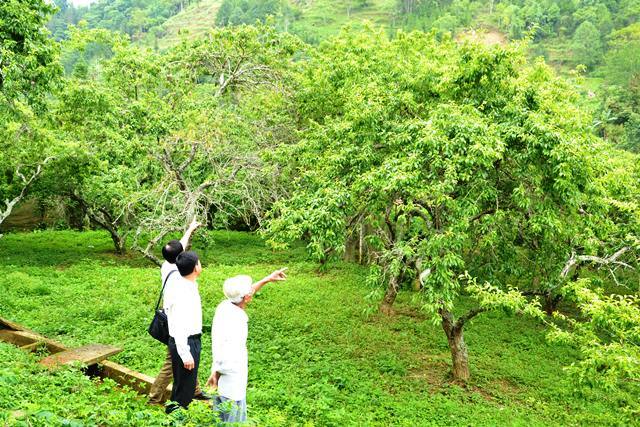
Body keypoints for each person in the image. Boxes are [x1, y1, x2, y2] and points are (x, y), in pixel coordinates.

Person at [207, 268, 287, 423]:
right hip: (232, 383)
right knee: (233, 421)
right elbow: (229, 352)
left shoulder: (224, 306)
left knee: (219, 419)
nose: (252, 290)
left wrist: (266, 279)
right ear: (247, 298)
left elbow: (243, 296)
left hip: (222, 380)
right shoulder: (238, 321)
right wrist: (217, 373)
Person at [148, 218, 210, 406]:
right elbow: (181, 319)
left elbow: (179, 246)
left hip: (174, 323)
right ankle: (155, 397)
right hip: (175, 324)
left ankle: (196, 390)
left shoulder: (168, 266)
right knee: (174, 361)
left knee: (187, 357)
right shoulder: (180, 281)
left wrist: (190, 228)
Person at [165, 250, 205, 413]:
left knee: (183, 385)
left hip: (189, 340)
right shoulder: (183, 292)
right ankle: (173, 418)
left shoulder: (185, 284)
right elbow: (178, 324)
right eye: (199, 262)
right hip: (186, 342)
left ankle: (173, 415)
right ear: (195, 268)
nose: (200, 264)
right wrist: (185, 353)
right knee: (184, 390)